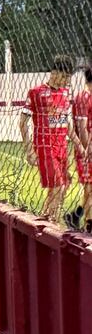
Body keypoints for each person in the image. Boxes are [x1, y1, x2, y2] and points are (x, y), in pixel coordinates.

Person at [20, 55, 76, 221]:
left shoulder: (65, 93)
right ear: (54, 72)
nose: (67, 81)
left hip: (62, 147)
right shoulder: (36, 92)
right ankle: (52, 222)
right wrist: (29, 150)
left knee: (63, 185)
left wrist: (78, 145)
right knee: (58, 186)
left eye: (69, 78)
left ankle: (46, 218)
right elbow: (23, 123)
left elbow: (65, 122)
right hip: (45, 147)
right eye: (65, 77)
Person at [73, 66, 92, 232]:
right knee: (88, 187)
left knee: (89, 189)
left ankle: (76, 216)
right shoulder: (83, 98)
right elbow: (82, 127)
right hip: (85, 152)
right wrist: (87, 151)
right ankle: (88, 224)